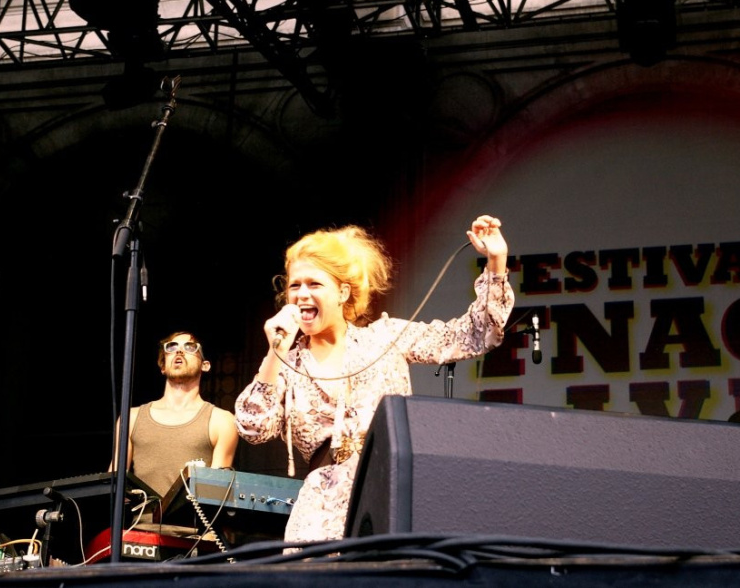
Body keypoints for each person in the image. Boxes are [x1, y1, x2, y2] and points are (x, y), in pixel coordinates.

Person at [234, 215, 515, 543]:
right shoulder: (287, 361)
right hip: (319, 516)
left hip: (390, 492)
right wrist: (275, 351)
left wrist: (496, 261)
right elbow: (253, 427)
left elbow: (476, 335)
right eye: (295, 285)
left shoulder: (384, 338)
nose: (301, 294)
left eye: (314, 284)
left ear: (342, 292)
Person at [110, 331, 239, 506]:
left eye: (190, 347)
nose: (179, 351)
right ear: (163, 366)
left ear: (205, 365)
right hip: (138, 530)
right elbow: (114, 484)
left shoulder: (222, 421)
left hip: (192, 532)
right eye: (171, 347)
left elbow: (215, 496)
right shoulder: (131, 417)